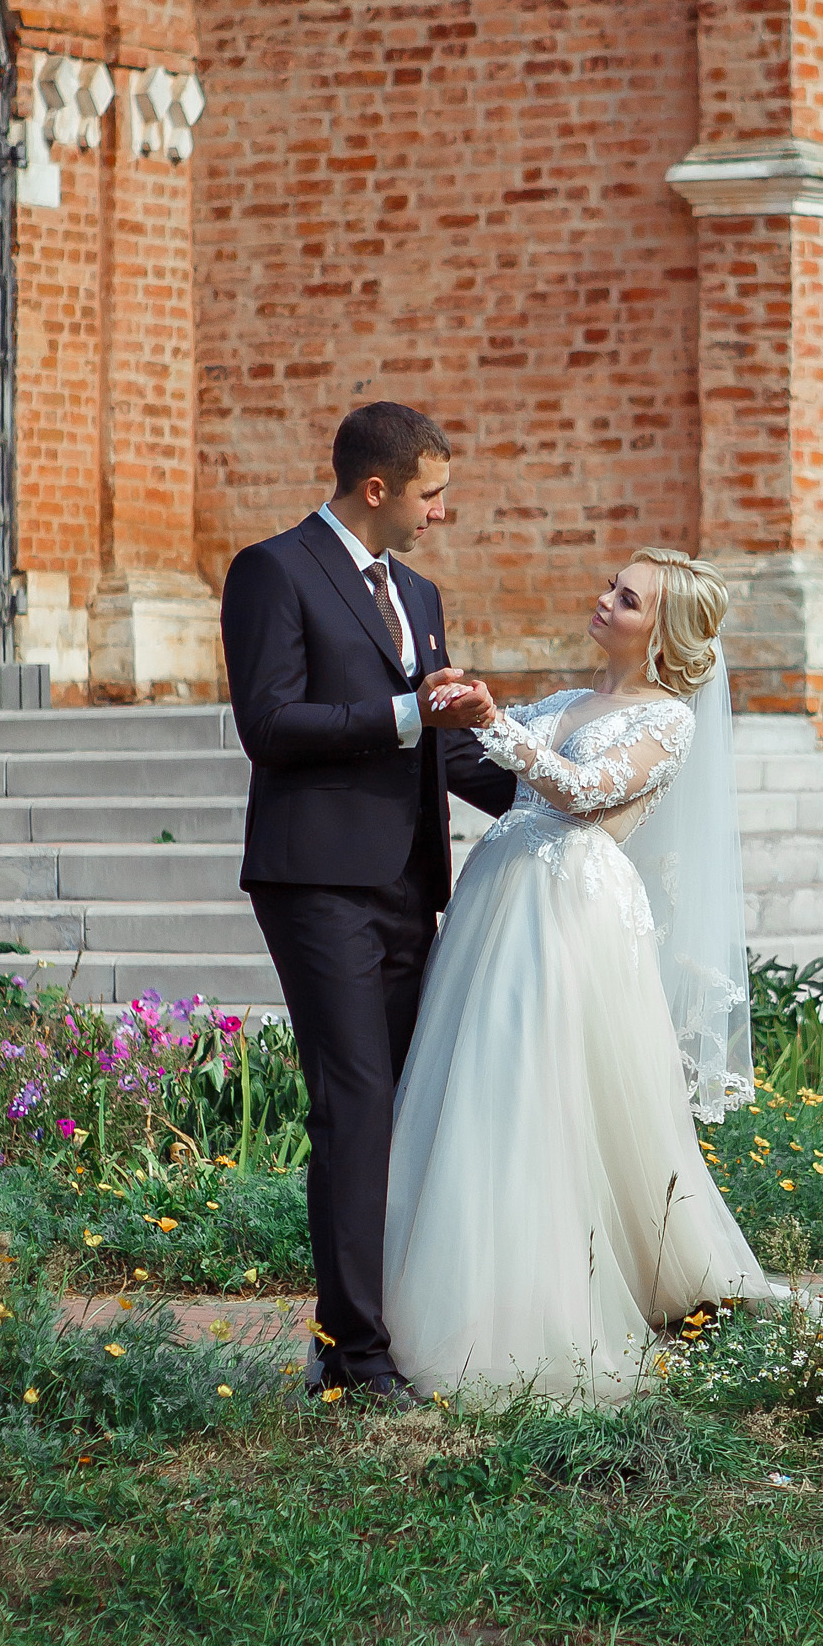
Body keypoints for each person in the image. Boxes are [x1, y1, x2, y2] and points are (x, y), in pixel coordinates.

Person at [383, 545, 781, 1404]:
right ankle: (459, 1281)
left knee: (542, 1092)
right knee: (482, 1088)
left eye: (627, 598)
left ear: (661, 631)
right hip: (500, 903)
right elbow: (509, 744)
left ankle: (542, 1309)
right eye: (612, 585)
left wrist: (492, 721)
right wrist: (457, 701)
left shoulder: (669, 720)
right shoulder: (572, 699)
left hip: (570, 909)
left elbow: (580, 790)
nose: (605, 600)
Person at [218, 401, 515, 1402]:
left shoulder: (420, 593)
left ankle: (380, 1325)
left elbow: (446, 746)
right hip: (315, 882)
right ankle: (354, 1353)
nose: (443, 512)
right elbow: (269, 722)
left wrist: (561, 793)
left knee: (412, 1104)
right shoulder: (274, 570)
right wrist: (401, 711)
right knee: (356, 1108)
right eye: (432, 494)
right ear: (377, 489)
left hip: (408, 882)